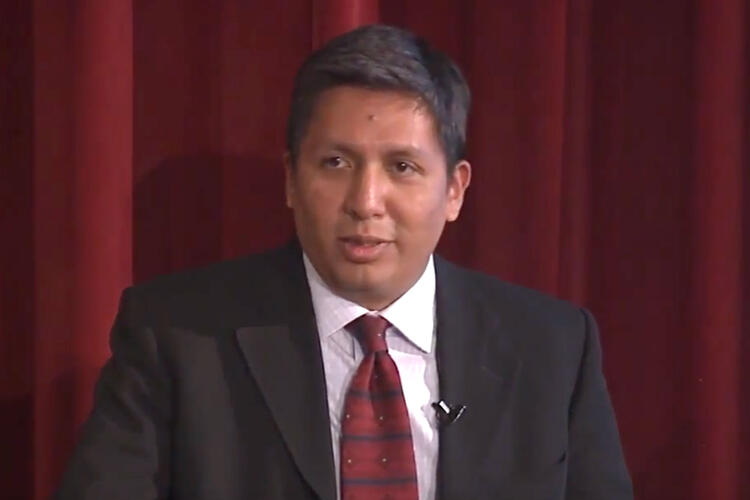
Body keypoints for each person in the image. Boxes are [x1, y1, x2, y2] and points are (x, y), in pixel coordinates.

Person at [56, 24, 633, 500]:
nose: (365, 202)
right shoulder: (175, 337)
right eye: (335, 163)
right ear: (291, 178)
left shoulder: (552, 348)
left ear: (455, 190)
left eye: (402, 167)